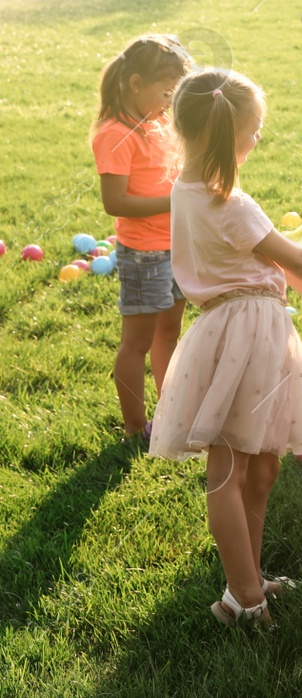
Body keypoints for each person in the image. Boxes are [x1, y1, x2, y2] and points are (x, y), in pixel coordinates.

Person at [149, 68, 302, 628]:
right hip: (243, 335)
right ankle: (245, 599)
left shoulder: (190, 189)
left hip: (250, 330)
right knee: (230, 469)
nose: (258, 139)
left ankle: (245, 579)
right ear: (229, 136)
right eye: (255, 130)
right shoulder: (229, 203)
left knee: (261, 467)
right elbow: (288, 256)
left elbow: (265, 264)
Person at [90, 34, 194, 442]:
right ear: (135, 84)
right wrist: (173, 200)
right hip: (143, 256)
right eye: (166, 91)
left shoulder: (160, 122)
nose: (171, 100)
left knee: (169, 332)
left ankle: (170, 408)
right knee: (137, 342)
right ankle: (135, 426)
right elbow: (115, 202)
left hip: (177, 247)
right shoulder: (115, 134)